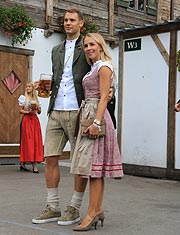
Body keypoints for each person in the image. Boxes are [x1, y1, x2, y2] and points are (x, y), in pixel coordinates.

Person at [32, 8, 115, 225]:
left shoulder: (87, 46)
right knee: (50, 158)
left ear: (81, 24)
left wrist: (110, 91)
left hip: (79, 112)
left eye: (72, 20)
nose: (67, 23)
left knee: (79, 163)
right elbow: (59, 77)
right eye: (65, 20)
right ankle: (52, 206)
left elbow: (100, 72)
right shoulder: (56, 50)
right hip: (56, 110)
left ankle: (74, 207)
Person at [70, 32, 124, 231]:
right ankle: (97, 209)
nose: (89, 48)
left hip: (97, 116)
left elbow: (103, 98)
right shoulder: (94, 67)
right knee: (94, 170)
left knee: (93, 169)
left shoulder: (104, 67)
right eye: (85, 46)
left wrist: (97, 123)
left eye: (92, 44)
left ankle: (92, 213)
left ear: (101, 46)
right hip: (90, 113)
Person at [18, 82, 44, 173]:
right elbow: (20, 110)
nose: (27, 88)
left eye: (29, 86)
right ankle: (23, 162)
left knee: (35, 141)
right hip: (26, 120)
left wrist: (37, 108)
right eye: (26, 86)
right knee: (27, 141)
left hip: (35, 121)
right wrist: (27, 112)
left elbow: (40, 112)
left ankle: (33, 164)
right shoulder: (23, 98)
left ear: (33, 88)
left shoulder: (36, 99)